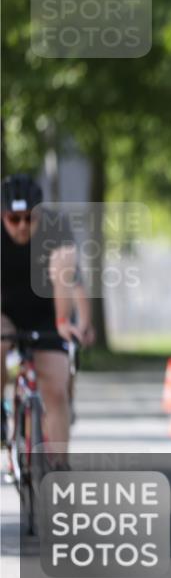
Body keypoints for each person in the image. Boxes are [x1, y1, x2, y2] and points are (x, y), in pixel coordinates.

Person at [1, 174, 92, 471]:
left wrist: (79, 321)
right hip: (5, 311)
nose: (23, 226)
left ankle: (60, 467)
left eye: (29, 217)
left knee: (55, 385)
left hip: (49, 310)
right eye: (14, 219)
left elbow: (71, 280)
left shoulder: (56, 228)